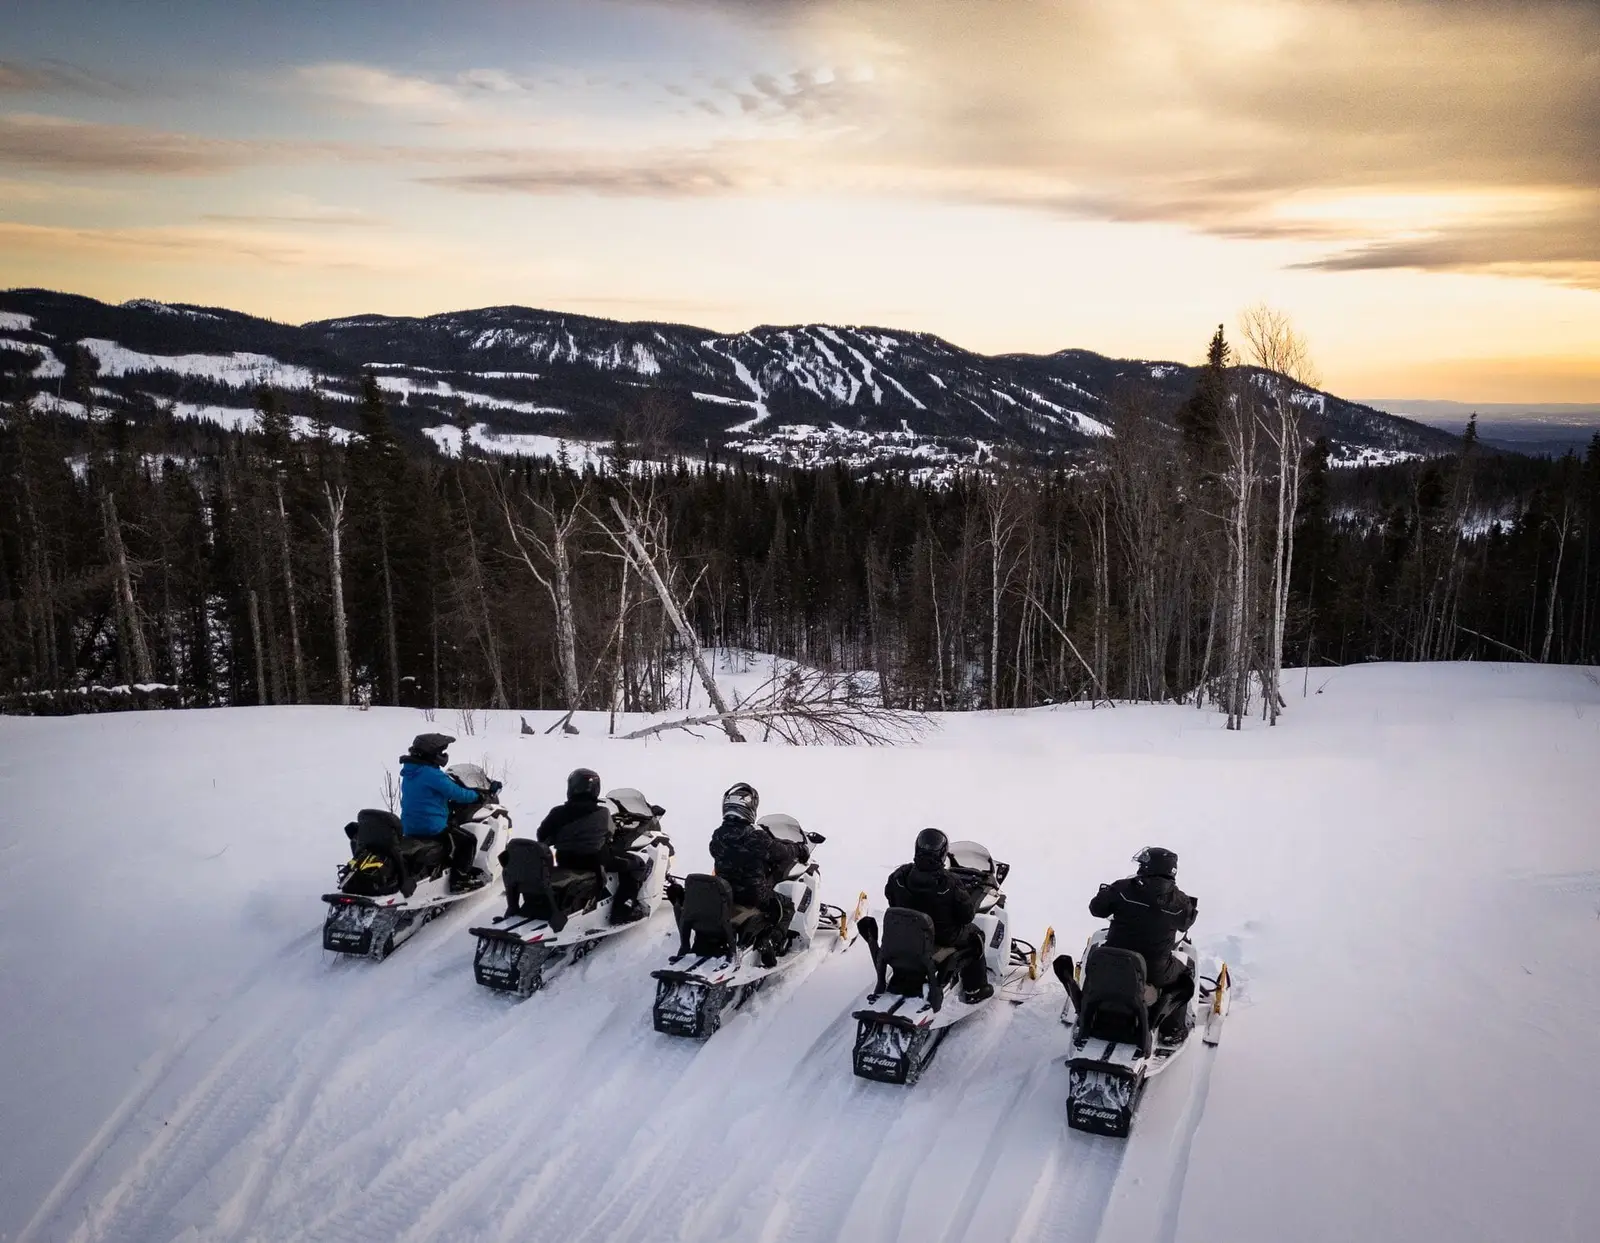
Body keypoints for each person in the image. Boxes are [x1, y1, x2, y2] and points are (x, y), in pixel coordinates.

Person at [1088, 846, 1198, 1041]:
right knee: (1186, 970)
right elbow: (1186, 924)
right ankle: (1172, 1028)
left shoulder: (1122, 888)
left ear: (1150, 867)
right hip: (1154, 971)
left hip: (1113, 962)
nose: (1140, 867)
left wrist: (1107, 894)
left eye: (1143, 864)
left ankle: (1087, 1003)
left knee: (1095, 950)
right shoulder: (1179, 901)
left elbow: (1097, 909)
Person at [884, 828, 993, 1004]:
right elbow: (967, 916)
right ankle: (975, 989)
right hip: (942, 937)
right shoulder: (949, 883)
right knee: (976, 935)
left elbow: (890, 897)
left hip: (904, 935)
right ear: (942, 854)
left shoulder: (899, 876)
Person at [535, 768, 647, 924]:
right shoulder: (602, 813)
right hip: (595, 863)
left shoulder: (557, 812)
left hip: (564, 861)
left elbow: (542, 836)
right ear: (595, 789)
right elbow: (610, 834)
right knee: (637, 864)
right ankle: (623, 910)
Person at [708, 782, 799, 966]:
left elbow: (716, 851)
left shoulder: (718, 835)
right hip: (754, 895)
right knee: (787, 906)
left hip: (726, 894)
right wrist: (799, 849)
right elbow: (781, 852)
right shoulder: (755, 837)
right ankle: (771, 942)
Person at [398, 733, 491, 889]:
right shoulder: (431, 774)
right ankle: (459, 879)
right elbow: (457, 793)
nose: (443, 755)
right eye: (441, 752)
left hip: (410, 826)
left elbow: (427, 795)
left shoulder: (410, 772)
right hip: (431, 827)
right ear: (431, 753)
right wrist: (478, 796)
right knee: (468, 841)